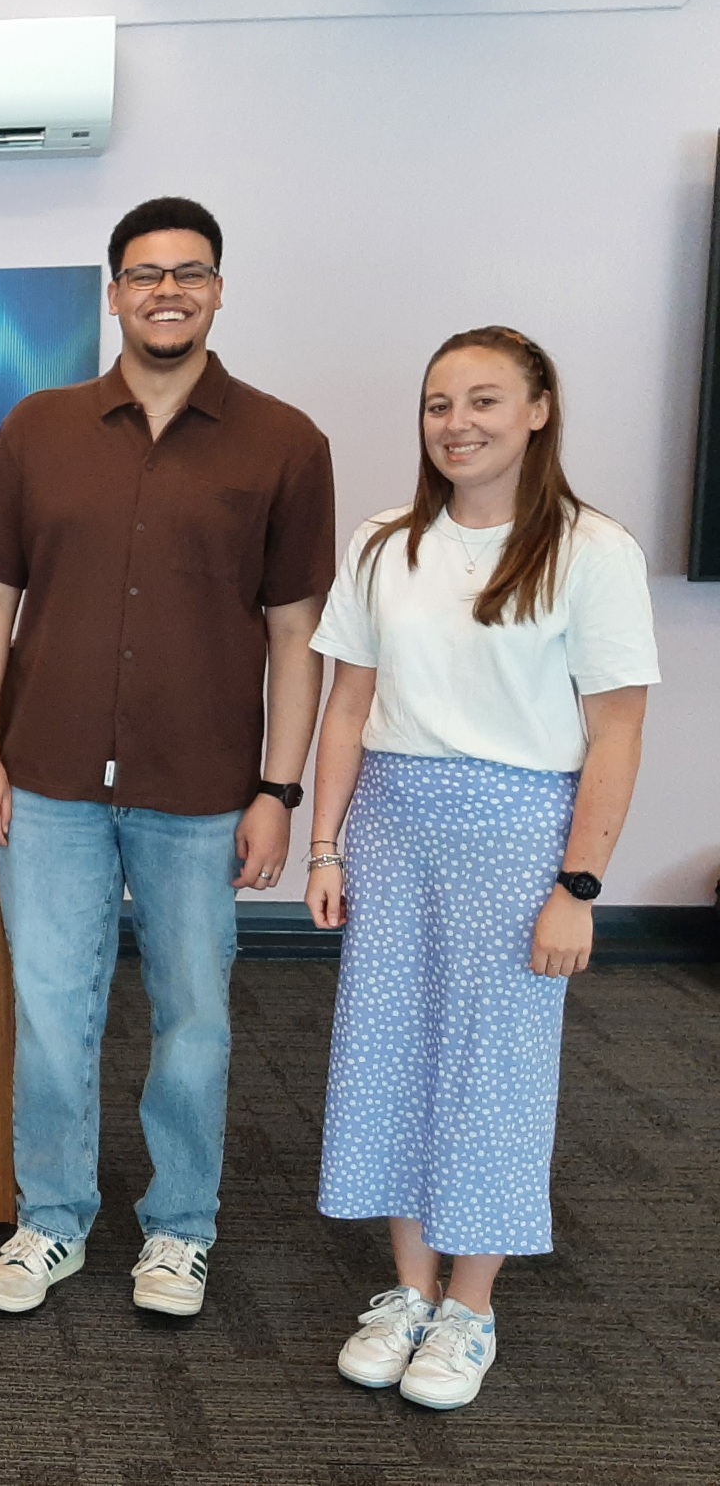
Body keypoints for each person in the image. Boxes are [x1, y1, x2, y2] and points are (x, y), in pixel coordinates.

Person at [0, 197, 336, 1320]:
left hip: (202, 790)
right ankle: (52, 1217)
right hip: (48, 780)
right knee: (50, 1012)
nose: (168, 291)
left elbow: (296, 635)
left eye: (190, 272)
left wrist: (277, 790)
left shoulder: (284, 443)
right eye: (146, 274)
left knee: (194, 1020)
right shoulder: (38, 429)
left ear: (218, 291)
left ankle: (179, 1229)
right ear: (113, 293)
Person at [305, 327, 656, 1410]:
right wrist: (325, 843)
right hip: (394, 823)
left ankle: (469, 1307)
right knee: (389, 1055)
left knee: (492, 1068)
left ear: (538, 411)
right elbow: (347, 706)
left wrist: (577, 888)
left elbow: (616, 732)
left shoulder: (591, 550)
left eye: (483, 401)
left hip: (518, 833)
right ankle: (408, 1290)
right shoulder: (383, 543)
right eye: (437, 404)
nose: (456, 424)